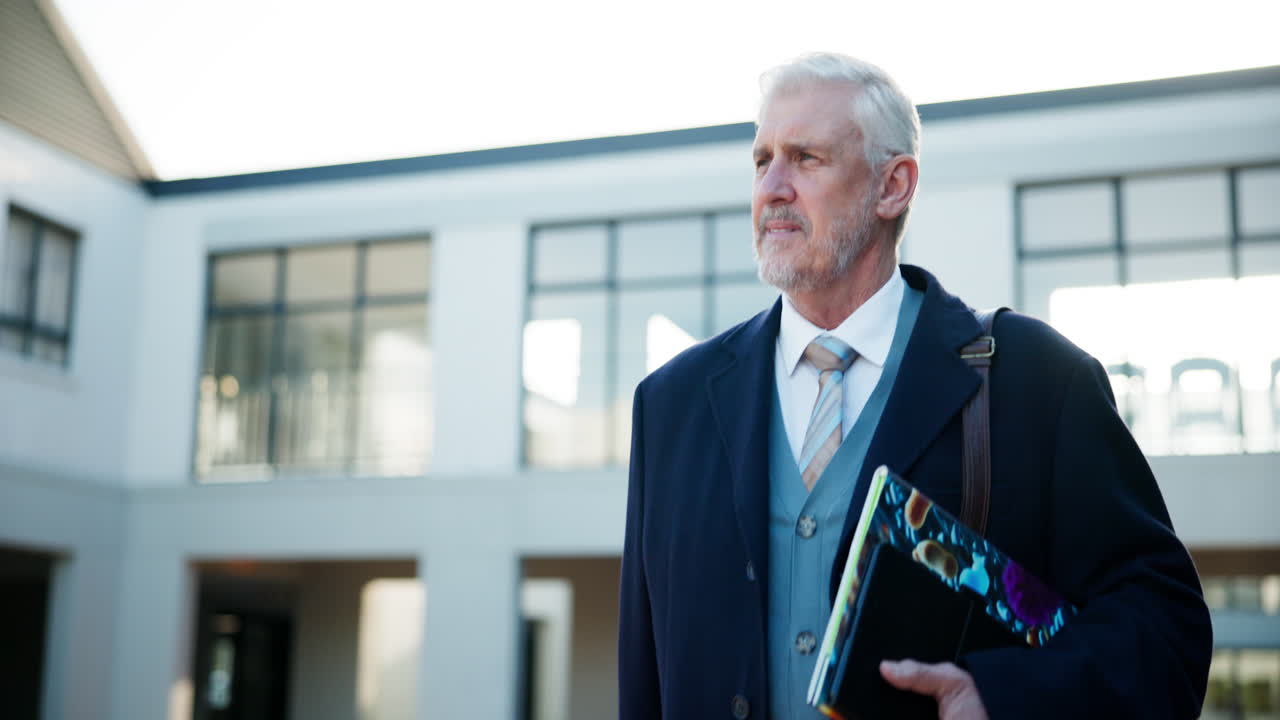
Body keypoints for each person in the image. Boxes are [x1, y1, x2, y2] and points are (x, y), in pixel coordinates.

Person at [617, 52, 1211, 720]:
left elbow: (1165, 631)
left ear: (893, 186)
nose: (772, 188)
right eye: (762, 161)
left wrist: (1001, 696)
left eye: (806, 158)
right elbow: (643, 681)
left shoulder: (1037, 381)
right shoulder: (671, 405)